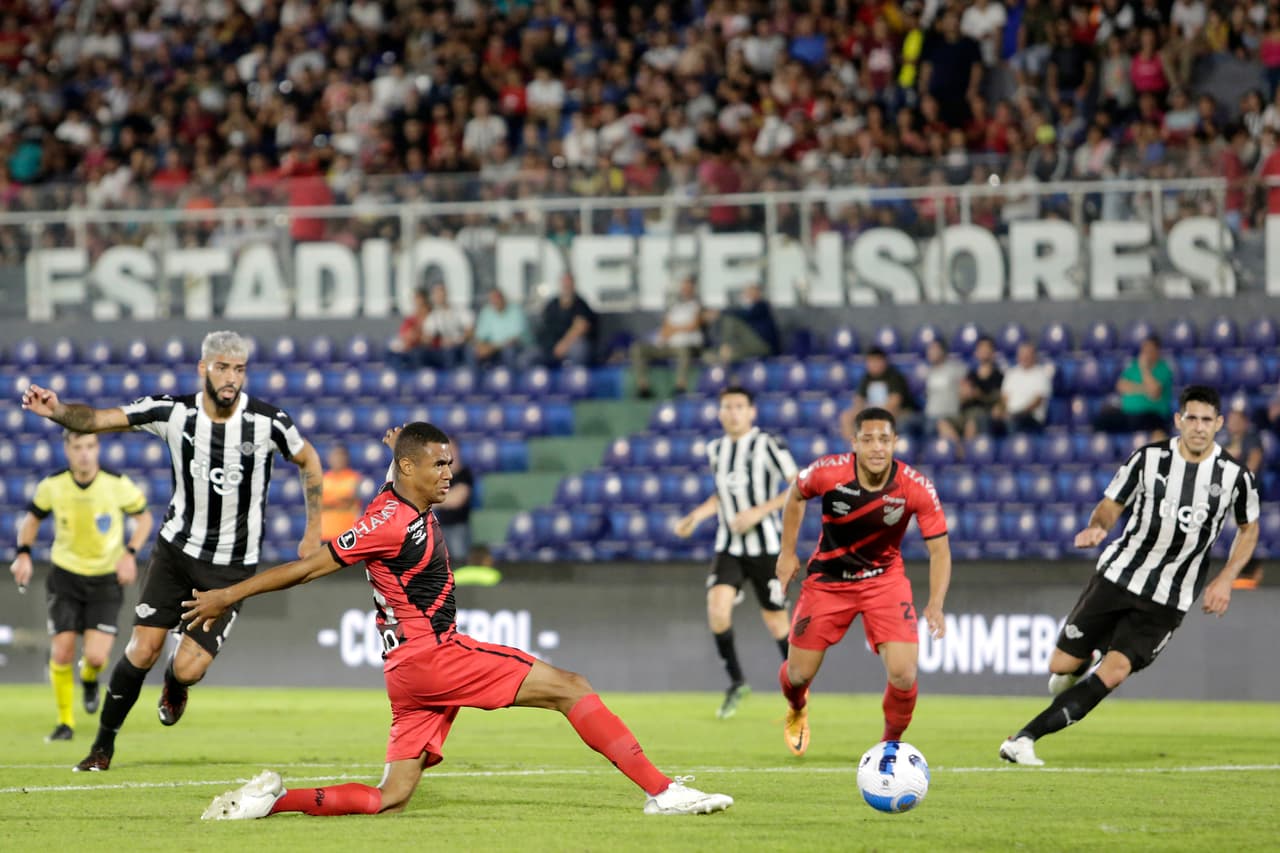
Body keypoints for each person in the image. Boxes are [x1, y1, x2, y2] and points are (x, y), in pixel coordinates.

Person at [186, 422, 732, 819]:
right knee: (571, 686)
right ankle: (662, 791)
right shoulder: (389, 521)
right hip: (433, 654)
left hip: (407, 672)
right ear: (409, 469)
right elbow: (307, 569)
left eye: (449, 463)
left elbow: (395, 480)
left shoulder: (396, 497)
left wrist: (397, 449)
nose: (449, 473)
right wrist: (227, 596)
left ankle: (270, 803)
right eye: (438, 464)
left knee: (391, 797)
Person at [20, 330, 325, 772]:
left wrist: (313, 530)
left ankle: (176, 684)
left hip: (231, 569)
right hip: (176, 553)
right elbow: (98, 420)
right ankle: (102, 746)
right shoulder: (173, 412)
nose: (231, 378)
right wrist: (59, 412)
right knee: (141, 650)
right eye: (222, 367)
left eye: (239, 369)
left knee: (188, 669)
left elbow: (309, 460)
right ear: (203, 368)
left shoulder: (268, 422)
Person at [1000, 386, 1260, 766]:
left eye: (1207, 420)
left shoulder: (1235, 477)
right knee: (1061, 668)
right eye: (1192, 418)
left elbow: (1248, 528)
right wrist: (1098, 527)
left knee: (1116, 671)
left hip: (1169, 598)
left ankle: (1024, 738)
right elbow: (1110, 505)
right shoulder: (1148, 459)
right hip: (1119, 575)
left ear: (1219, 423)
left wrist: (1225, 579)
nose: (1199, 427)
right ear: (1179, 420)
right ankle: (1084, 660)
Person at [775, 407, 952, 756]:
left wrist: (935, 603)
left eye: (884, 439)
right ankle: (796, 707)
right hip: (828, 581)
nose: (877, 448)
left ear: (895, 442)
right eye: (868, 439)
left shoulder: (916, 488)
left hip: (883, 581)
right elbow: (794, 494)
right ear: (854, 442)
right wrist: (787, 553)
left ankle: (890, 746)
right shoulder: (829, 472)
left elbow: (940, 552)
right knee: (797, 676)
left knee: (904, 674)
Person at [9, 430, 154, 743]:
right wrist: (23, 554)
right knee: (61, 650)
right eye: (78, 447)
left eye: (90, 446)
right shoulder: (53, 485)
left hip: (105, 579)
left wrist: (130, 554)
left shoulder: (117, 484)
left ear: (97, 448)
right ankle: (65, 723)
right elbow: (32, 519)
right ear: (68, 450)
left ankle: (89, 679)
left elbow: (144, 519)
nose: (85, 453)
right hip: (66, 576)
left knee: (97, 658)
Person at [673, 386, 799, 719]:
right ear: (719, 413)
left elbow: (798, 486)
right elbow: (722, 497)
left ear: (751, 412)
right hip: (729, 546)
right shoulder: (716, 450)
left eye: (739, 406)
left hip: (766, 547)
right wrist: (696, 517)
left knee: (776, 622)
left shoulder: (768, 445)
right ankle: (736, 682)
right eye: (727, 407)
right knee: (717, 609)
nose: (733, 412)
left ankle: (798, 690)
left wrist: (759, 511)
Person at [631, 276, 704, 398]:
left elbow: (693, 325)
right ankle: (643, 388)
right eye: (683, 287)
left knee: (683, 350)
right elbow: (665, 329)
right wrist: (673, 330)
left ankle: (680, 387)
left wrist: (674, 329)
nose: (685, 290)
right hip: (668, 345)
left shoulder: (697, 305)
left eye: (688, 287)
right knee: (637, 349)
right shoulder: (675, 307)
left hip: (687, 345)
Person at [1093, 335, 1174, 434]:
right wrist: (1144, 389)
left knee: (1144, 422)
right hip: (1128, 414)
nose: (1146, 353)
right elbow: (1121, 386)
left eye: (1150, 350)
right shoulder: (1134, 367)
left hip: (1153, 416)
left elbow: (1154, 392)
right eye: (1144, 350)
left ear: (1157, 351)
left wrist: (1144, 369)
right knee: (1100, 422)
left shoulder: (1163, 369)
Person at [838, 347, 918, 441]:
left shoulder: (894, 377)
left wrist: (873, 414)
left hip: (898, 413)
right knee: (846, 417)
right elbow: (859, 400)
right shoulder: (866, 378)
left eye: (876, 361)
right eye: (870, 362)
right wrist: (859, 411)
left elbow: (894, 403)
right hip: (872, 412)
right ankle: (854, 447)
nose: (873, 365)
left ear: (883, 361)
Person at [704, 283, 780, 364]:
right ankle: (724, 350)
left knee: (730, 320)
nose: (749, 294)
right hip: (748, 345)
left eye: (751, 291)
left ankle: (725, 346)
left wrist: (721, 312)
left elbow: (746, 314)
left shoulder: (762, 306)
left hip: (763, 345)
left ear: (758, 292)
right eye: (748, 292)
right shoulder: (748, 307)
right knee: (713, 356)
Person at [537, 274, 597, 366]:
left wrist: (563, 345)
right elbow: (544, 328)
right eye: (564, 283)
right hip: (551, 346)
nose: (566, 286)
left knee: (579, 349)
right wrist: (552, 346)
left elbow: (580, 327)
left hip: (572, 346)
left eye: (569, 283)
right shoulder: (552, 305)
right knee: (529, 357)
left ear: (573, 285)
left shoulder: (580, 304)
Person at [995, 341, 1053, 433]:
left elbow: (1037, 401)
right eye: (1022, 354)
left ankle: (1012, 446)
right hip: (1010, 415)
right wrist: (1000, 410)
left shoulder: (1041, 375)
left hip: (1031, 417)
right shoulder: (1011, 373)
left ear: (1034, 356)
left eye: (1028, 354)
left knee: (1013, 421)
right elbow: (1004, 398)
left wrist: (1017, 414)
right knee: (991, 419)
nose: (1025, 357)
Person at [433, 439, 473, 561]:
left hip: (459, 528)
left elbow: (457, 500)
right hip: (440, 528)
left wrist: (436, 500)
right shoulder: (438, 475)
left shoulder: (464, 474)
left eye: (451, 449)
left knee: (460, 562)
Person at [471, 288, 532, 368]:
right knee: (472, 350)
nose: (495, 301)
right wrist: (481, 346)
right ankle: (476, 378)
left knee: (509, 351)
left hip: (520, 348)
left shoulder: (516, 310)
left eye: (497, 298)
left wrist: (492, 348)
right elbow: (479, 336)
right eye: (492, 299)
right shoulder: (487, 312)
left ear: (504, 298)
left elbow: (514, 339)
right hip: (493, 349)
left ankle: (510, 378)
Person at [921, 338, 967, 442]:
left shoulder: (955, 369)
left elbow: (965, 388)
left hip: (949, 415)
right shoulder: (929, 373)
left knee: (937, 425)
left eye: (934, 349)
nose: (930, 352)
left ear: (942, 351)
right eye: (929, 349)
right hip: (929, 416)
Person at [421, 282, 474, 369]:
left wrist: (456, 341)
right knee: (420, 353)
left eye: (441, 294)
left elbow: (470, 330)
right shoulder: (434, 315)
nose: (439, 297)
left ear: (446, 294)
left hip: (461, 346)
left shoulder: (459, 310)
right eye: (436, 295)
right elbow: (427, 337)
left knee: (452, 351)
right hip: (443, 349)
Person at [959, 335, 1004, 439]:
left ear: (993, 352)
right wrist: (963, 395)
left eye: (986, 348)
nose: (983, 351)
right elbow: (962, 400)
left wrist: (979, 395)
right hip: (965, 413)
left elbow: (998, 399)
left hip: (985, 414)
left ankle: (969, 452)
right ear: (976, 352)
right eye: (980, 348)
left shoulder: (999, 376)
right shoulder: (970, 376)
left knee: (973, 419)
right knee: (943, 421)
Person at [321, 444, 363, 544]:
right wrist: (341, 501)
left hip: (348, 534)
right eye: (335, 456)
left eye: (341, 456)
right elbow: (317, 505)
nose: (338, 459)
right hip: (326, 535)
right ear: (329, 458)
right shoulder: (323, 479)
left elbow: (351, 502)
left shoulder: (355, 478)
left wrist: (329, 502)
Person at [388, 288, 431, 369]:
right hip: (411, 347)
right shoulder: (411, 318)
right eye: (416, 299)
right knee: (393, 353)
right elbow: (404, 335)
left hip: (427, 349)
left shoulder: (431, 316)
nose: (418, 302)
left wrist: (416, 336)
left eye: (420, 299)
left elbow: (428, 338)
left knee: (417, 354)